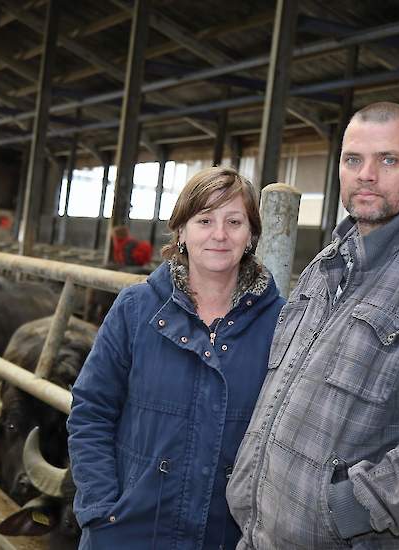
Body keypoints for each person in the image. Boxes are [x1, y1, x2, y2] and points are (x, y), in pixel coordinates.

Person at [226, 102, 399, 549]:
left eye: (389, 160)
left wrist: (345, 509)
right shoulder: (328, 263)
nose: (366, 174)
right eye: (353, 160)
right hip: (257, 535)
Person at [67, 166, 285, 549]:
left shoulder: (282, 323)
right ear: (181, 231)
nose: (219, 234)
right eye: (204, 220)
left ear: (251, 235)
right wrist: (102, 509)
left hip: (227, 535)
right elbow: (91, 411)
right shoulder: (135, 309)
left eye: (234, 221)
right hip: (130, 530)